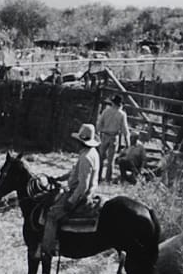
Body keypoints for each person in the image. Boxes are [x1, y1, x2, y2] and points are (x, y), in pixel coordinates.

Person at [39, 123, 100, 259]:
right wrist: (61, 178)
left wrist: (71, 201)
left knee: (52, 214)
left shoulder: (85, 158)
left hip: (80, 193)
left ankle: (48, 248)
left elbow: (83, 185)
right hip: (86, 189)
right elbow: (75, 172)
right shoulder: (92, 153)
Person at [95, 94, 131, 183]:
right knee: (111, 160)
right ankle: (108, 179)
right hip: (114, 136)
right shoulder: (122, 114)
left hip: (104, 135)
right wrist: (127, 143)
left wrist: (97, 134)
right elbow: (125, 129)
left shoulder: (106, 111)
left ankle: (98, 176)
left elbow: (99, 124)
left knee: (100, 157)